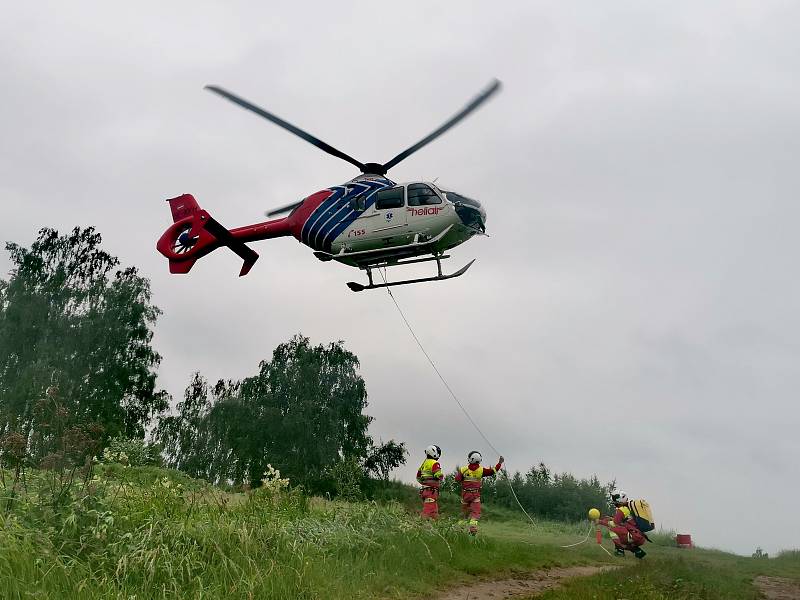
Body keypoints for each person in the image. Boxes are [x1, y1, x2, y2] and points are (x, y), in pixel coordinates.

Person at [455, 451, 504, 535]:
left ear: (470, 459)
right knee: (475, 513)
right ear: (480, 459)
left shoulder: (463, 469)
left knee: (464, 514)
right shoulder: (481, 470)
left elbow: (457, 479)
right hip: (475, 496)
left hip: (465, 496)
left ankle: (459, 531)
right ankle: (473, 530)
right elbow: (493, 471)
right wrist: (500, 463)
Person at [596, 489, 647, 558]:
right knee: (619, 532)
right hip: (639, 536)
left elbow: (614, 524)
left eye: (615, 498)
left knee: (612, 530)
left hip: (633, 535)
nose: (614, 501)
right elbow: (625, 521)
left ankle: (620, 551)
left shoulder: (621, 510)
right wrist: (611, 518)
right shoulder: (628, 508)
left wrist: (600, 522)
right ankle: (638, 551)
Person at [416, 445, 444, 518]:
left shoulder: (423, 464)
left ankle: (434, 525)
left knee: (434, 511)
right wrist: (441, 476)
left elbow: (418, 477)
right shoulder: (435, 463)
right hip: (431, 491)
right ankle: (420, 523)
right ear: (435, 453)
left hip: (424, 490)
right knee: (428, 510)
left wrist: (425, 483)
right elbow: (438, 474)